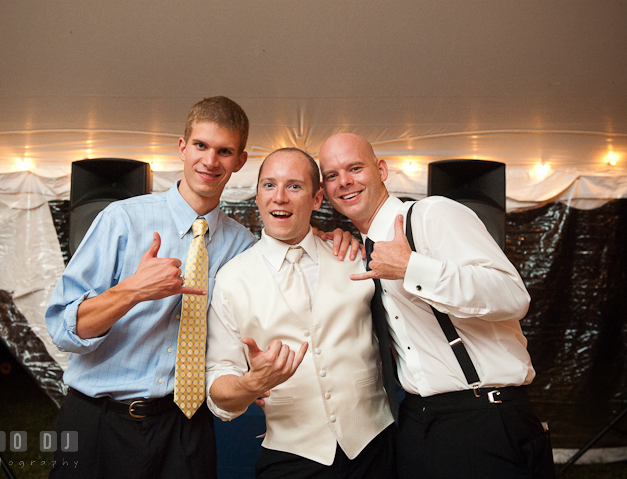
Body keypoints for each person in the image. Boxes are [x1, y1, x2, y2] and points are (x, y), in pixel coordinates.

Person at [44, 97, 357, 479]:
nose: (210, 161)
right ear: (182, 147)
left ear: (240, 161)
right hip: (102, 421)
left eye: (224, 151)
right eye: (201, 146)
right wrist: (133, 291)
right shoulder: (122, 220)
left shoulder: (242, 245)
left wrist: (332, 237)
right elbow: (63, 328)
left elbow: (291, 245)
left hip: (186, 427)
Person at [318, 133, 556, 479]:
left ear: (381, 170)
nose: (345, 182)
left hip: (483, 419)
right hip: (417, 422)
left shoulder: (433, 214)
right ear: (323, 190)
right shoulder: (358, 252)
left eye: (355, 168)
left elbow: (512, 296)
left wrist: (413, 268)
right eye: (332, 175)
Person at [205, 148, 395, 479]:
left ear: (317, 197)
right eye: (269, 185)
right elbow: (218, 383)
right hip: (290, 458)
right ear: (257, 195)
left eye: (294, 186)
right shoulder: (230, 278)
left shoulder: (354, 256)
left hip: (376, 447)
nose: (279, 198)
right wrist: (249, 384)